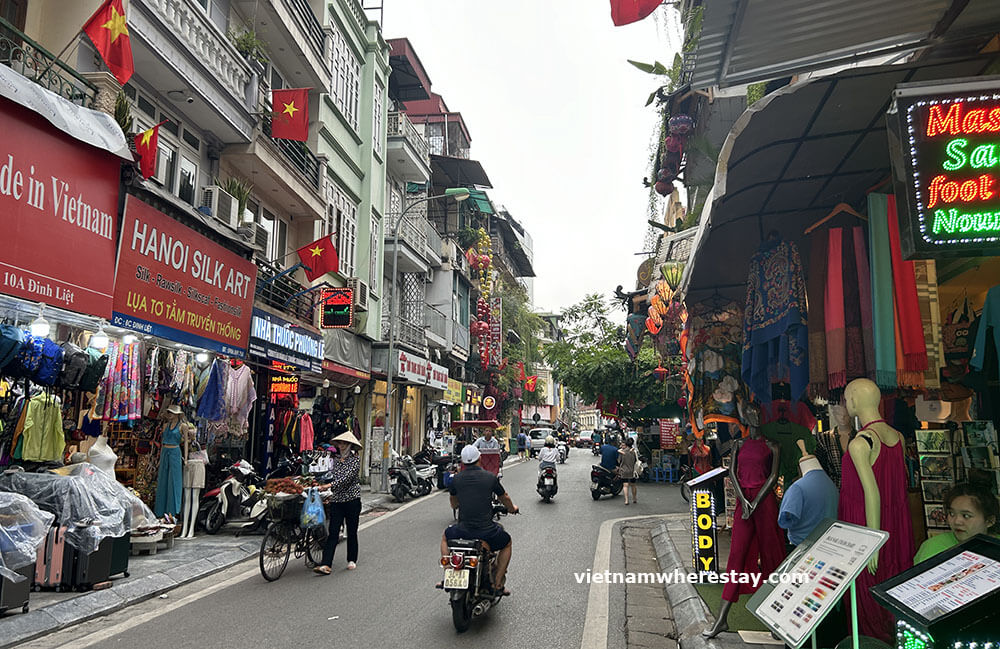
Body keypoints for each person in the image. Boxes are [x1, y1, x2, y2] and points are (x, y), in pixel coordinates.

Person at [439, 445, 519, 595]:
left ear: (463, 461)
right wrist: (511, 508)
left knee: (445, 537)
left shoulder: (456, 479)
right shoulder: (490, 477)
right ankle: (497, 583)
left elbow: (454, 503)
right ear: (479, 459)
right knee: (506, 542)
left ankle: (448, 571)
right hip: (486, 532)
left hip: (462, 531)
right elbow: (505, 497)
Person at [315, 432, 363, 575]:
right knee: (333, 533)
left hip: (352, 500)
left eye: (344, 444)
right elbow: (330, 475)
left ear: (350, 445)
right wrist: (321, 482)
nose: (341, 446)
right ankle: (326, 564)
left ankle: (352, 559)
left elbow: (346, 479)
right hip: (336, 500)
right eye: (340, 444)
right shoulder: (335, 460)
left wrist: (328, 486)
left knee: (352, 531)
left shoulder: (354, 460)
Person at [915, 483, 999, 563]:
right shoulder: (933, 547)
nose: (956, 521)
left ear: (989, 521)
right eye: (952, 514)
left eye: (966, 516)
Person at [618, 437, 639, 505]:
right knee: (633, 485)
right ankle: (634, 498)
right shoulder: (634, 451)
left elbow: (619, 461)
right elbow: (636, 460)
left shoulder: (622, 452)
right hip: (632, 470)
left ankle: (626, 500)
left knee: (625, 485)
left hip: (624, 470)